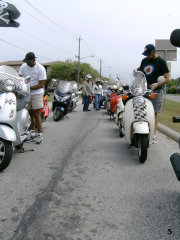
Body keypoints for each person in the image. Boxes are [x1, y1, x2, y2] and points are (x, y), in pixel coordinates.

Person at [140, 44, 169, 144]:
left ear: (154, 52)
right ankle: (142, 131)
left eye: (149, 54)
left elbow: (167, 78)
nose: (147, 56)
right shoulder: (144, 61)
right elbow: (141, 75)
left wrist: (158, 83)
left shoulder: (161, 62)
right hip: (144, 90)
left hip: (156, 90)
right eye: (146, 54)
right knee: (142, 110)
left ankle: (153, 134)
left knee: (154, 112)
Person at [19, 52, 47, 144]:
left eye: (29, 61)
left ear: (34, 60)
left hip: (37, 93)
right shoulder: (23, 66)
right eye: (26, 61)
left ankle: (39, 135)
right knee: (30, 115)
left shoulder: (41, 69)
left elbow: (41, 84)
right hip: (26, 93)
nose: (27, 63)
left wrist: (27, 87)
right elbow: (20, 78)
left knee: (36, 115)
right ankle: (31, 133)